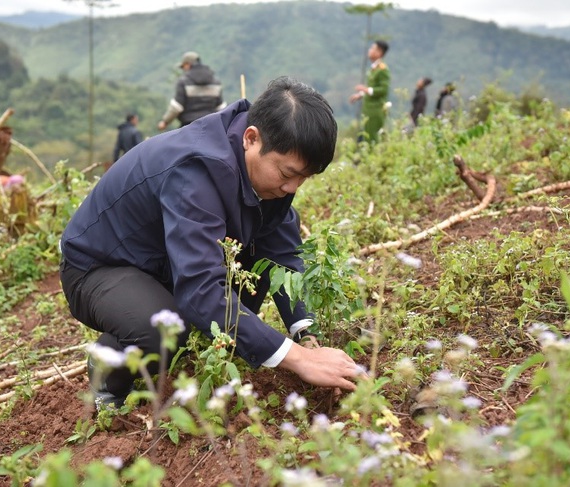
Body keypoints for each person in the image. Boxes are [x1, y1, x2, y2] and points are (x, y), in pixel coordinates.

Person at [61, 77, 364, 409]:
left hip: (164, 260)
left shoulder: (264, 171)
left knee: (253, 273)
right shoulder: (197, 170)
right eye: (288, 174)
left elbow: (282, 256)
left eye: (304, 178)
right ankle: (108, 374)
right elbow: (201, 288)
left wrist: (305, 334)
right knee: (163, 326)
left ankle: (197, 341)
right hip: (100, 267)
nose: (293, 188)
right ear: (252, 138)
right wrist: (298, 360)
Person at [157, 51, 226, 130]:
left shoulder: (184, 82)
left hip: (189, 127)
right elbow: (221, 108)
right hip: (210, 128)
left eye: (183, 67)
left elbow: (176, 107)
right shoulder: (215, 82)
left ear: (187, 65)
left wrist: (165, 122)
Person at [349, 40, 390, 143]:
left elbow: (383, 90)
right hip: (368, 110)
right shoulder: (374, 69)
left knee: (371, 138)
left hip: (375, 110)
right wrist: (360, 95)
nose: (369, 50)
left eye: (372, 48)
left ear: (379, 52)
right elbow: (372, 87)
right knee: (365, 136)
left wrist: (365, 89)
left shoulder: (382, 70)